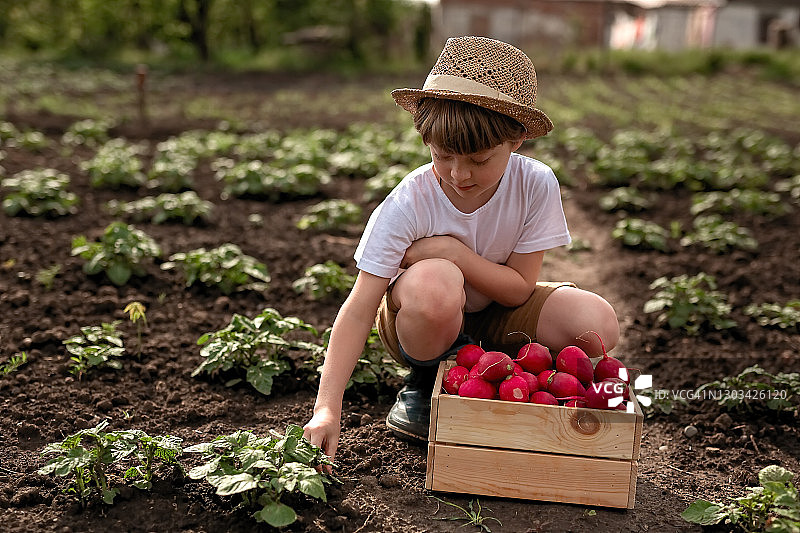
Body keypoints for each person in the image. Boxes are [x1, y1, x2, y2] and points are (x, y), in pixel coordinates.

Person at [303, 36, 619, 465]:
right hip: (421, 324)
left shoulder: (535, 183)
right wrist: (327, 406)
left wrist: (455, 252)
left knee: (595, 321)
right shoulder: (409, 202)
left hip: (498, 311)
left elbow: (518, 290)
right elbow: (360, 306)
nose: (458, 174)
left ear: (518, 140)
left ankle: (496, 368)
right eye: (443, 156)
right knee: (435, 282)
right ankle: (426, 378)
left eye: (479, 160)